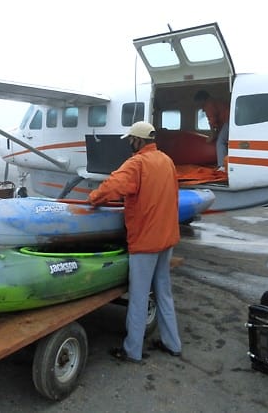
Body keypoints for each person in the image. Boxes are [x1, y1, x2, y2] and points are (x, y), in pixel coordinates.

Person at [88, 121, 182, 364]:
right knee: (164, 292)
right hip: (167, 238)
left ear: (138, 141)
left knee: (139, 297)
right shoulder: (167, 161)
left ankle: (132, 351)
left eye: (131, 139)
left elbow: (112, 186)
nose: (129, 143)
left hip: (146, 242)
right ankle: (173, 344)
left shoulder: (137, 163)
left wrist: (93, 198)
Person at [194, 90, 230, 171]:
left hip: (229, 121)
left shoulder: (208, 104)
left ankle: (222, 166)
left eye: (198, 102)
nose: (198, 105)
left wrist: (213, 135)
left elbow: (212, 121)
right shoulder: (215, 101)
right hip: (230, 121)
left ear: (202, 100)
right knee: (224, 141)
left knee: (220, 142)